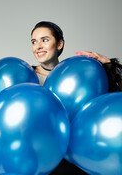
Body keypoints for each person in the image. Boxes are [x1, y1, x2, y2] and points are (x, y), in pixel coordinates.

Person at [31, 21, 122, 175]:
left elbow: (111, 102)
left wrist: (107, 65)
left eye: (45, 40)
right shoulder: (26, 77)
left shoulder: (78, 74)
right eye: (34, 42)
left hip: (75, 156)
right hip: (39, 155)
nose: (38, 46)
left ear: (60, 44)